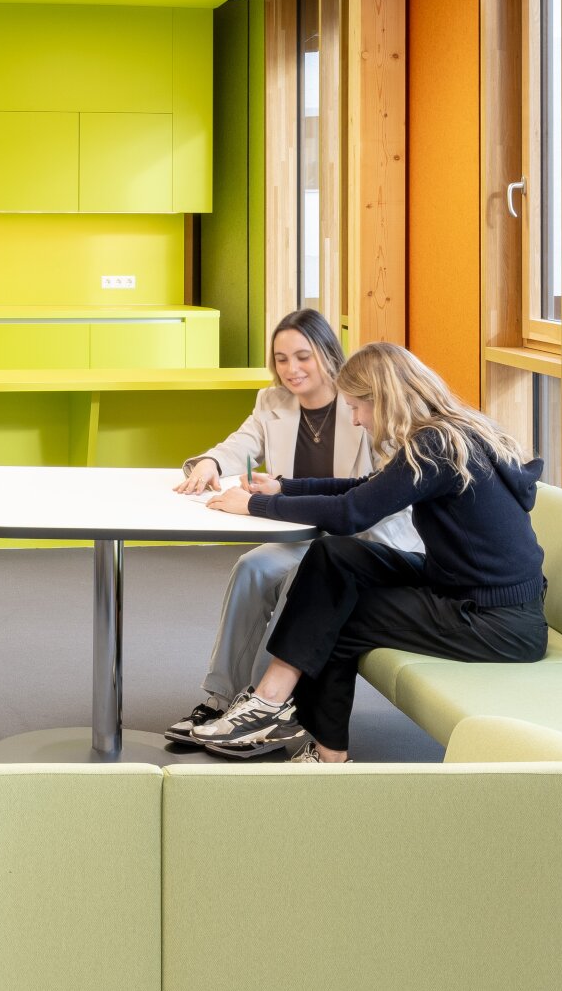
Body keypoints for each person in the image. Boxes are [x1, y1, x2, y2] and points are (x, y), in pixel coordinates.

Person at [183, 340, 547, 763]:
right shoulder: (448, 432)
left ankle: (317, 744)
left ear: (384, 398)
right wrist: (285, 487)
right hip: (462, 586)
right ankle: (272, 703)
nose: (355, 419)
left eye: (358, 407)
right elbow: (366, 490)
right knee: (335, 555)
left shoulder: (435, 448)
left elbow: (352, 513)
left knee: (343, 613)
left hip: (497, 621)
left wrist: (255, 505)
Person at [161, 309, 421, 756]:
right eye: (281, 359)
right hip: (304, 535)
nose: (291, 369)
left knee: (293, 584)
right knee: (252, 567)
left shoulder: (361, 403)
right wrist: (207, 463)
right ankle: (221, 701)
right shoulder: (272, 402)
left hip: (357, 540)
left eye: (303, 356)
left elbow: (376, 496)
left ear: (328, 354)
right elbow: (240, 444)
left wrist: (267, 500)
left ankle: (264, 707)